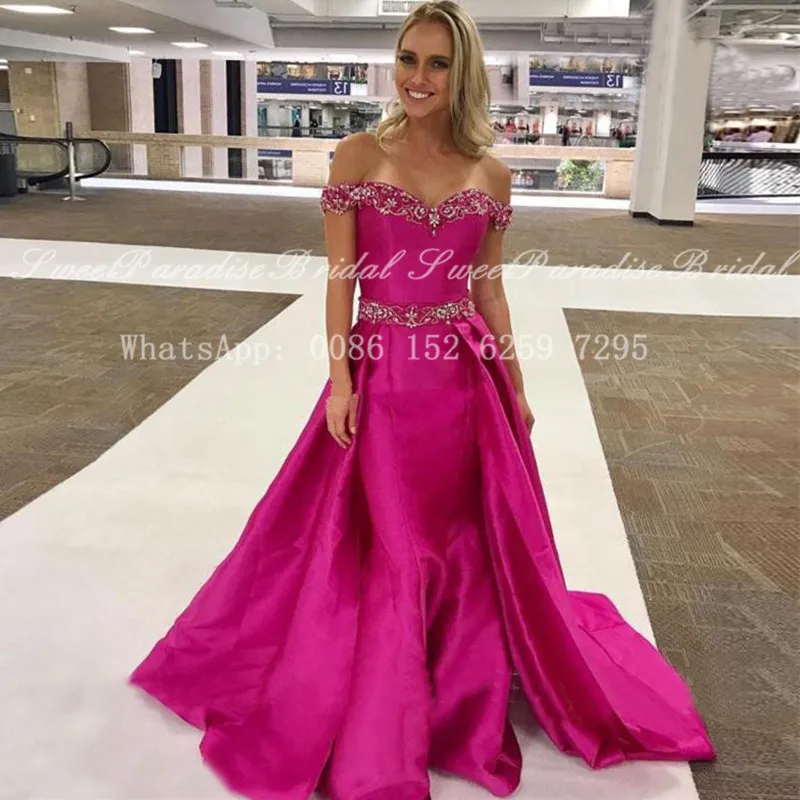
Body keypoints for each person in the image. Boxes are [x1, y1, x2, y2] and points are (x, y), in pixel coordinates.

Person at [129, 2, 715, 799]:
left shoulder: (490, 172)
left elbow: (488, 287)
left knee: (461, 536)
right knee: (385, 536)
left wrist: (515, 382)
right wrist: (341, 381)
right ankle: (387, 683)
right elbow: (341, 280)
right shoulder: (358, 155)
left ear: (462, 74)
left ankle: (453, 671)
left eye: (438, 63)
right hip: (383, 371)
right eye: (408, 58)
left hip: (463, 378)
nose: (418, 77)